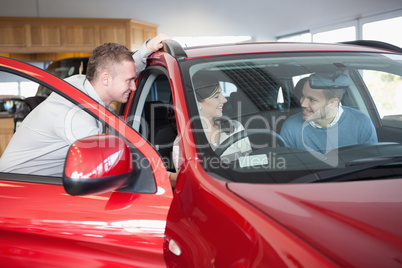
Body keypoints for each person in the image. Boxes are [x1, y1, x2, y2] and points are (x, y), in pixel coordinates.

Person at [0, 34, 172, 176]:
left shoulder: (81, 82)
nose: (133, 86)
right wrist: (168, 175)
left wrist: (147, 49)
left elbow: (119, 70)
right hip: (21, 186)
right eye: (129, 81)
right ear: (105, 79)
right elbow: (112, 167)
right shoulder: (76, 118)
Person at [169, 71, 252, 186]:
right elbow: (189, 183)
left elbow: (250, 167)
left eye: (221, 94)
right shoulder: (182, 142)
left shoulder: (235, 128)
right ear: (198, 103)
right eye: (217, 96)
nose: (224, 100)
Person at [280, 73, 378, 154]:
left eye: (312, 99)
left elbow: (372, 165)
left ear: (332, 103)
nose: (302, 103)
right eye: (303, 96)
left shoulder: (361, 123)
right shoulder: (291, 127)